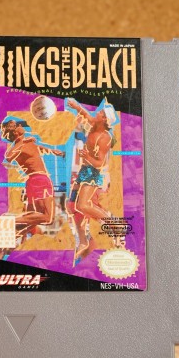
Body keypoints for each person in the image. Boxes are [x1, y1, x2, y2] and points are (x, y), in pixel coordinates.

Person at [66, 99, 116, 259]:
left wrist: (85, 156)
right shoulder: (95, 124)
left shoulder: (104, 138)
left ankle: (112, 222)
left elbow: (99, 164)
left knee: (83, 205)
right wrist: (76, 106)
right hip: (84, 170)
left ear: (104, 119)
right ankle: (83, 241)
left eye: (101, 113)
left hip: (93, 173)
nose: (97, 112)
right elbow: (87, 115)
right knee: (72, 206)